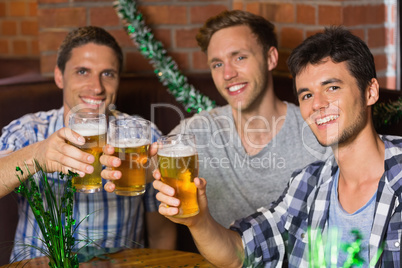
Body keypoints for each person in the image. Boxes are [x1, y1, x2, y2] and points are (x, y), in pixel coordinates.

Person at [152, 26, 402, 267]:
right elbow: (240, 253)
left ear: (370, 92)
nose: (317, 104)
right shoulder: (307, 183)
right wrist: (198, 220)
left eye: (332, 87)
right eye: (307, 95)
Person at [102, 10, 327, 228]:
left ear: (270, 58)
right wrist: (114, 165)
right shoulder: (198, 130)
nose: (228, 74)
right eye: (217, 64)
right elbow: (147, 168)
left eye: (239, 57)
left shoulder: (316, 129)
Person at [0, 26, 176, 261]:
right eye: (82, 71)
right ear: (59, 76)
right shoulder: (28, 131)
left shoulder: (142, 136)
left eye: (108, 74)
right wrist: (37, 155)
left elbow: (161, 233)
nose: (97, 87)